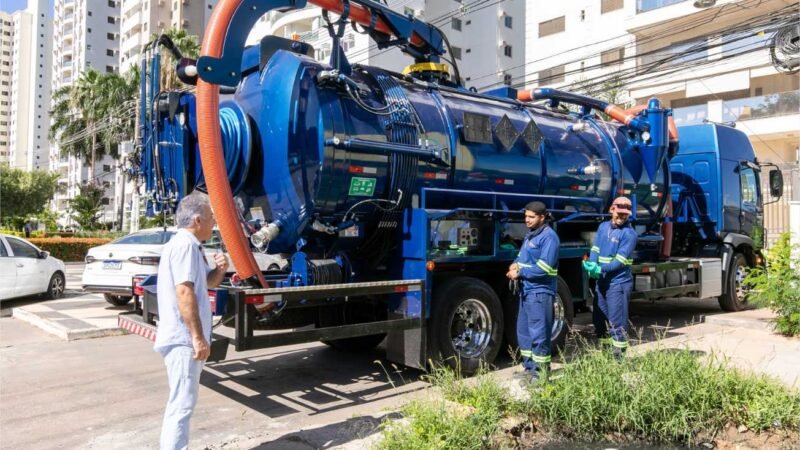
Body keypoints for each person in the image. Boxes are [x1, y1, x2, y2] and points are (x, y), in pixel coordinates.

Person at [154, 192, 229, 450]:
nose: (213, 223)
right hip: (183, 340)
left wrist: (220, 270)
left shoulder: (191, 246)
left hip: (184, 339)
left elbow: (206, 283)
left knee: (183, 403)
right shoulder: (185, 246)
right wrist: (197, 337)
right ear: (197, 220)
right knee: (182, 406)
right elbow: (184, 292)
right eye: (210, 218)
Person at [507, 201, 560, 383]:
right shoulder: (531, 235)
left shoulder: (549, 237)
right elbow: (523, 257)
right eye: (526, 217)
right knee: (524, 332)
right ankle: (529, 367)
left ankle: (541, 373)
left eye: (531, 217)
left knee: (539, 334)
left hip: (540, 292)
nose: (527, 220)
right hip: (527, 291)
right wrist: (515, 264)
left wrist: (520, 272)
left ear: (542, 217)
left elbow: (544, 268)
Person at [583, 196, 638, 359]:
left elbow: (619, 262)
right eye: (619, 212)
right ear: (611, 210)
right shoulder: (603, 227)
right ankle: (607, 355)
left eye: (625, 214)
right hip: (602, 281)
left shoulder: (629, 234)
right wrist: (592, 263)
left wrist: (599, 269)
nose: (622, 216)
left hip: (618, 283)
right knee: (599, 319)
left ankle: (618, 359)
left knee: (617, 321)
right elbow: (596, 248)